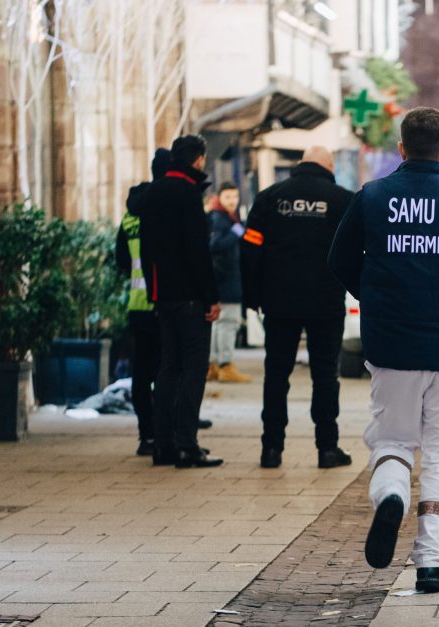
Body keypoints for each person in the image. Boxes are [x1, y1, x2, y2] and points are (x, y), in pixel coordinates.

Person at [328, 107, 439, 592]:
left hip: (392, 345)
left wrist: (378, 298)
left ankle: (392, 497)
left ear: (402, 149)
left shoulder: (372, 196)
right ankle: (429, 561)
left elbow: (339, 260)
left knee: (392, 440)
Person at [241, 146, 354, 470]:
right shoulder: (342, 200)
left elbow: (249, 248)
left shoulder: (270, 198)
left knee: (276, 375)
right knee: (325, 376)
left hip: (280, 302)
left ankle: (271, 449)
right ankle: (327, 448)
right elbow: (356, 250)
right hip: (326, 302)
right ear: (329, 166)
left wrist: (253, 297)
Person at [139, 134, 223, 468]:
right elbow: (198, 251)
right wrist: (211, 298)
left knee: (168, 368)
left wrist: (154, 291)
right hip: (190, 297)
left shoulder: (153, 192)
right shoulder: (188, 194)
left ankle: (163, 446)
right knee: (193, 368)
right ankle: (187, 444)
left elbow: (146, 251)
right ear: (198, 160)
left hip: (163, 295)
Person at [115, 148, 171, 456]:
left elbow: (121, 259)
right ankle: (166, 432)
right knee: (167, 371)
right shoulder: (165, 207)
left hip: (137, 305)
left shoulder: (131, 214)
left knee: (141, 372)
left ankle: (146, 435)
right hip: (164, 303)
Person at [206, 182, 251, 384]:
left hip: (220, 279)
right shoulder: (220, 218)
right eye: (228, 197)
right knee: (228, 323)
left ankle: (214, 365)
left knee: (219, 324)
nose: (232, 201)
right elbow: (214, 245)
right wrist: (236, 233)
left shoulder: (223, 217)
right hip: (225, 280)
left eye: (235, 197)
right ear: (219, 198)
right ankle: (225, 365)